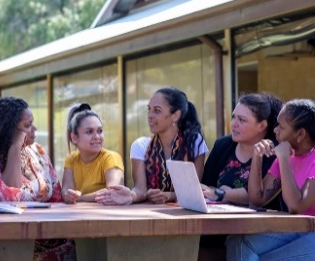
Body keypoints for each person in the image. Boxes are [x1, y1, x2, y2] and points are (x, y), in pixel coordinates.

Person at [0, 97, 74, 261]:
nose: (34, 129)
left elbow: (55, 192)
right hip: (2, 242)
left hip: (46, 234)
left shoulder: (37, 151)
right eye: (27, 126)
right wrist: (14, 147)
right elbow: (9, 196)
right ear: (9, 130)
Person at [226, 99, 315, 261]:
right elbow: (257, 199)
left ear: (300, 134)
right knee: (237, 241)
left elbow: (296, 206)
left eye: (281, 126)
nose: (275, 130)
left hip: (311, 231)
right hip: (297, 229)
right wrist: (257, 156)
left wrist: (284, 160)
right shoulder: (288, 155)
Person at [199, 93, 284, 261]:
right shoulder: (223, 145)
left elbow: (256, 197)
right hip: (219, 222)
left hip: (258, 228)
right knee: (198, 242)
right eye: (233, 117)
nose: (234, 124)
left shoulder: (273, 152)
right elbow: (206, 186)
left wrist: (222, 193)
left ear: (262, 125)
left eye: (242, 120)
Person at [95, 86, 208, 205]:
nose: (150, 115)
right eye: (149, 109)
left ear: (175, 115)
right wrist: (130, 196)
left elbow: (195, 190)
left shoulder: (194, 142)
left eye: (157, 110)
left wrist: (168, 196)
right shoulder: (140, 146)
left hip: (186, 213)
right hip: (150, 213)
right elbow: (140, 190)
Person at [61, 103, 124, 204]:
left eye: (99, 131)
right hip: (78, 215)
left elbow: (113, 192)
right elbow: (66, 190)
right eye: (89, 132)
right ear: (74, 138)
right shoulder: (71, 159)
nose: (97, 136)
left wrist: (80, 198)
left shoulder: (111, 157)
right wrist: (67, 195)